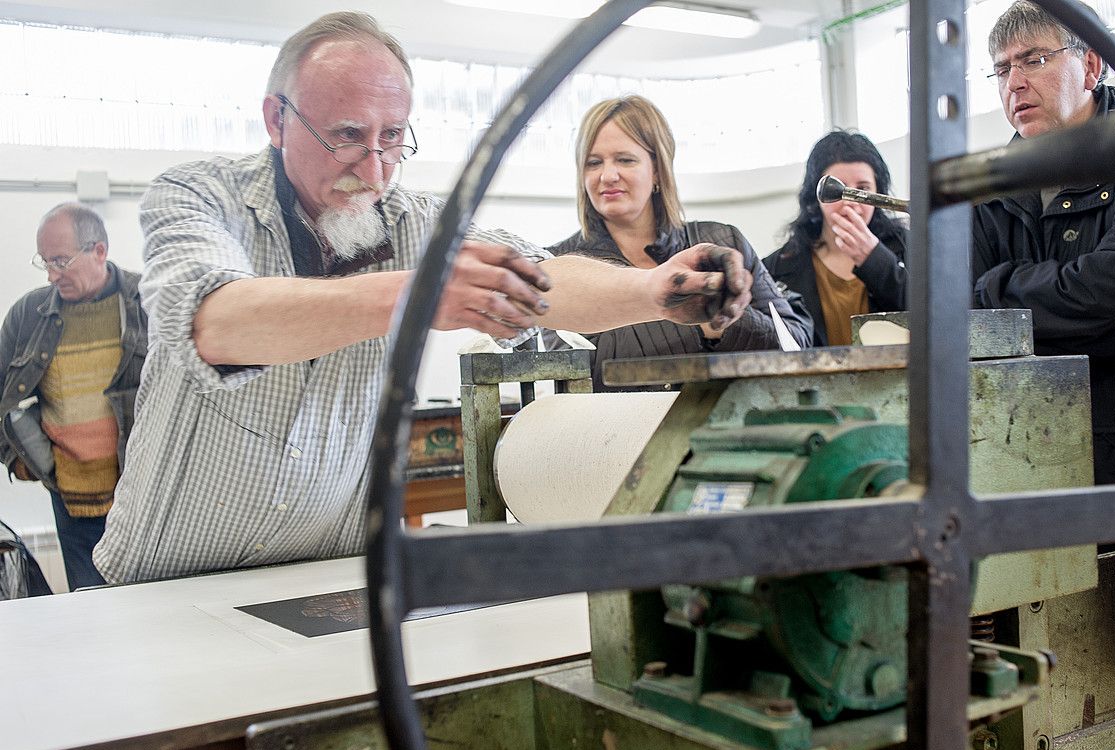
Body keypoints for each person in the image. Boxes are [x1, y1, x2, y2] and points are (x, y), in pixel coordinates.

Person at [91, 13, 752, 585]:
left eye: (392, 139)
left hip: (327, 579)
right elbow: (218, 324)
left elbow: (534, 277)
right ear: (276, 119)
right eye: (346, 136)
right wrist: (418, 293)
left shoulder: (410, 221)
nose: (373, 169)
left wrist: (653, 287)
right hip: (164, 582)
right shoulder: (198, 196)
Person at [973, 0, 1115, 483]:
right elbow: (960, 318)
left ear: (1091, 66)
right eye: (1001, 69)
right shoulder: (990, 187)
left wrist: (999, 289)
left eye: (1034, 59)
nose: (1014, 82)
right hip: (1030, 456)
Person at [547, 95, 813, 390]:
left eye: (625, 159)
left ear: (657, 170)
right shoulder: (558, 265)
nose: (607, 175)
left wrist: (720, 324)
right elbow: (571, 372)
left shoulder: (725, 242)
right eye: (593, 163)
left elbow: (794, 342)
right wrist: (690, 312)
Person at [0, 203, 145, 591]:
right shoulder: (27, 316)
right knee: (92, 614)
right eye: (45, 262)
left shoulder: (149, 304)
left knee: (155, 613)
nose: (51, 275)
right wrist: (17, 460)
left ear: (99, 250)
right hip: (72, 506)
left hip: (144, 502)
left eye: (61, 261)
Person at [763, 131, 908, 347]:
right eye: (837, 190)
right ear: (815, 195)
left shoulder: (907, 246)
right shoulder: (778, 266)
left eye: (863, 189)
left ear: (879, 192)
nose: (850, 202)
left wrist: (876, 261)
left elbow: (937, 319)